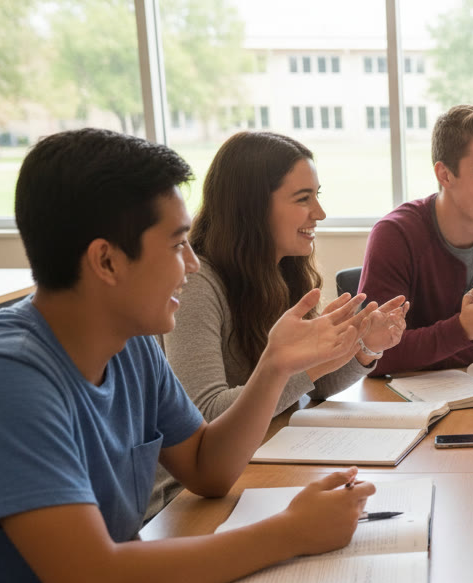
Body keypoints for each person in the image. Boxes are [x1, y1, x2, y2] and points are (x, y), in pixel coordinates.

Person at [0, 129, 380, 583]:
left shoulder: (131, 342)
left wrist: (275, 366)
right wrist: (290, 534)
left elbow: (207, 468)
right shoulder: (0, 374)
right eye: (178, 244)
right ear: (106, 260)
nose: (193, 264)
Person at [155, 131, 408, 514]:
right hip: (189, 498)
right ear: (252, 207)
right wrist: (306, 363)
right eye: (303, 199)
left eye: (317, 196)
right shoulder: (197, 284)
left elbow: (317, 385)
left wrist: (363, 348)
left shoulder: (285, 269)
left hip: (262, 461)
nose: (319, 213)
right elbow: (205, 417)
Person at [360, 104, 473, 373]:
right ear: (445, 174)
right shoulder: (394, 234)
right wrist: (463, 330)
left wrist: (426, 347)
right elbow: (378, 353)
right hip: (405, 404)